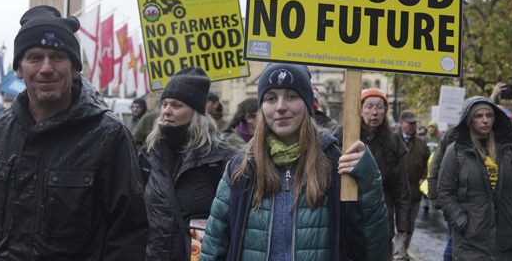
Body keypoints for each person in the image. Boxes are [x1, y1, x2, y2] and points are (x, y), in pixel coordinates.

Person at [0, 5, 148, 260]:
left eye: (57, 56)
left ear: (75, 68)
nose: (46, 67)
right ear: (19, 69)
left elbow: (127, 237)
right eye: (34, 57)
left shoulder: (109, 136)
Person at [200, 63, 390, 261]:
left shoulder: (337, 166)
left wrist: (369, 182)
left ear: (308, 104)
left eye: (292, 96)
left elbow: (371, 250)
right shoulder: (240, 169)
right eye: (271, 98)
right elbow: (213, 249)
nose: (281, 106)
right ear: (262, 107)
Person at [139, 67, 234, 260]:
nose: (166, 111)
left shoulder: (220, 159)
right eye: (164, 104)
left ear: (196, 112)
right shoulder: (148, 154)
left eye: (176, 105)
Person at [438, 96, 512, 261]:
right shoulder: (456, 151)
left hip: (506, 239)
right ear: (469, 120)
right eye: (478, 116)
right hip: (471, 241)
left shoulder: (507, 150)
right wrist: (461, 221)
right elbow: (444, 191)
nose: (485, 120)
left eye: (489, 115)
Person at [332, 88, 411, 260]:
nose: (374, 112)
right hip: (345, 216)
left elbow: (401, 187)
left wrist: (403, 223)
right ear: (359, 110)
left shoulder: (393, 142)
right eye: (369, 107)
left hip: (381, 217)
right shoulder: (341, 135)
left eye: (380, 107)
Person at [395, 109, 430, 260]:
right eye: (410, 123)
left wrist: (424, 177)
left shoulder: (421, 143)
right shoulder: (392, 140)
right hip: (395, 193)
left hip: (415, 191)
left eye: (415, 123)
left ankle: (403, 251)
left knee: (410, 226)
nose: (413, 126)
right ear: (401, 123)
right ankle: (398, 255)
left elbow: (428, 163)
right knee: (398, 226)